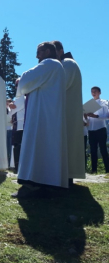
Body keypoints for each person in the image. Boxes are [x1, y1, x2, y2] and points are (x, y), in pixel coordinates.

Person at [12, 42, 68, 198]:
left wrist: (19, 81)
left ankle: (36, 182)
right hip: (49, 114)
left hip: (42, 115)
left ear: (48, 51)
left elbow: (25, 80)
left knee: (38, 145)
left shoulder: (49, 64)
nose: (37, 55)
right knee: (47, 147)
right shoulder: (58, 67)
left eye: (40, 52)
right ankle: (47, 182)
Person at [52, 40, 85, 182]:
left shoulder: (68, 64)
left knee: (67, 144)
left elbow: (60, 85)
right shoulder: (64, 64)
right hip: (64, 111)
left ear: (60, 51)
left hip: (67, 113)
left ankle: (66, 176)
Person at [85, 86, 109, 174]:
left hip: (101, 129)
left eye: (95, 91)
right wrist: (85, 117)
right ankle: (94, 170)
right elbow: (86, 120)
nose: (93, 93)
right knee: (93, 150)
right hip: (91, 129)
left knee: (103, 149)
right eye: (92, 91)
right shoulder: (89, 104)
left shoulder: (104, 103)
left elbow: (107, 116)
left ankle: (107, 169)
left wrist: (96, 116)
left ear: (99, 92)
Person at [9, 79, 26, 173]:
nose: (16, 87)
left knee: (18, 146)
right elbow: (10, 112)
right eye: (15, 85)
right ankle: (16, 166)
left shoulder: (22, 98)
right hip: (17, 125)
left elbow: (13, 110)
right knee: (16, 146)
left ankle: (19, 167)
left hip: (21, 125)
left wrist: (12, 106)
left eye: (18, 85)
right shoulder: (18, 98)